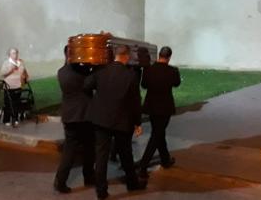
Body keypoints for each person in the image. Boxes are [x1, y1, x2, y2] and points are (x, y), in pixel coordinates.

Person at [84, 45, 147, 199]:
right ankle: (132, 184)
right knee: (126, 154)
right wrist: (137, 123)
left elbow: (86, 85)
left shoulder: (101, 71)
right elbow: (135, 102)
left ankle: (101, 191)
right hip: (122, 120)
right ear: (125, 56)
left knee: (101, 156)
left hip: (101, 120)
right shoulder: (130, 76)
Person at [54, 46, 95, 194]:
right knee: (89, 148)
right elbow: (90, 84)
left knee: (69, 150)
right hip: (84, 115)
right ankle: (89, 176)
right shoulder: (80, 72)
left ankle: (60, 180)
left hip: (69, 115)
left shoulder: (61, 72)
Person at [138, 46, 181, 178]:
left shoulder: (148, 69)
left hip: (151, 107)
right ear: (169, 57)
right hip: (165, 107)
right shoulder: (173, 71)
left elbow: (144, 85)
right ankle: (143, 165)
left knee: (159, 133)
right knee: (157, 135)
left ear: (159, 55)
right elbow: (177, 83)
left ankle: (165, 159)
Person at [0, 48, 29, 126]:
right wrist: (11, 70)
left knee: (16, 103)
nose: (15, 55)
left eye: (16, 53)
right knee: (8, 104)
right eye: (13, 53)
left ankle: (15, 118)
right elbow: (2, 73)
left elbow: (24, 73)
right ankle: (6, 120)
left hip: (18, 86)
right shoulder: (6, 63)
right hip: (8, 87)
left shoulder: (20, 63)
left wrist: (24, 77)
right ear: (9, 54)